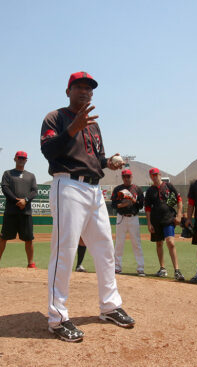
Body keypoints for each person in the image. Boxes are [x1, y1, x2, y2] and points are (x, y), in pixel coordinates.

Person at [40, 71, 134, 342]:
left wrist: (109, 162)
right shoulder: (55, 117)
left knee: (105, 250)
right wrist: (72, 128)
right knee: (64, 252)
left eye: (89, 89)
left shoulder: (92, 125)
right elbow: (49, 151)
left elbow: (96, 158)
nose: (85, 92)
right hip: (67, 185)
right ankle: (58, 318)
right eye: (79, 87)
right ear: (68, 91)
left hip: (94, 189)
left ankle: (110, 306)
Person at [0, 151, 38, 269]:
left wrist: (25, 200)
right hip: (11, 211)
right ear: (15, 159)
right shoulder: (8, 174)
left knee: (29, 239)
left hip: (25, 212)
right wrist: (17, 200)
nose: (21, 159)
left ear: (26, 160)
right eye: (19, 157)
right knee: (3, 237)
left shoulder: (31, 176)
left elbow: (34, 191)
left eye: (23, 158)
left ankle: (31, 263)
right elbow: (5, 188)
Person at [144, 168, 185, 281]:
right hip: (156, 220)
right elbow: (147, 208)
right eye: (152, 175)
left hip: (168, 219)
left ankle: (177, 270)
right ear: (150, 177)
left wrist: (179, 215)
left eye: (156, 174)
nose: (154, 176)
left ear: (160, 175)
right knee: (159, 244)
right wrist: (149, 223)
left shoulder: (169, 186)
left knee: (170, 242)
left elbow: (179, 200)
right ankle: (162, 268)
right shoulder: (150, 191)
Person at [110, 169, 146, 276]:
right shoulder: (118, 189)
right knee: (119, 243)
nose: (126, 178)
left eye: (128, 176)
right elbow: (113, 204)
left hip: (133, 218)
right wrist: (122, 205)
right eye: (124, 176)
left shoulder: (137, 189)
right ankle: (117, 267)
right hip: (121, 218)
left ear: (132, 177)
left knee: (136, 243)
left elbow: (140, 205)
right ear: (122, 178)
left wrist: (133, 201)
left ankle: (140, 268)